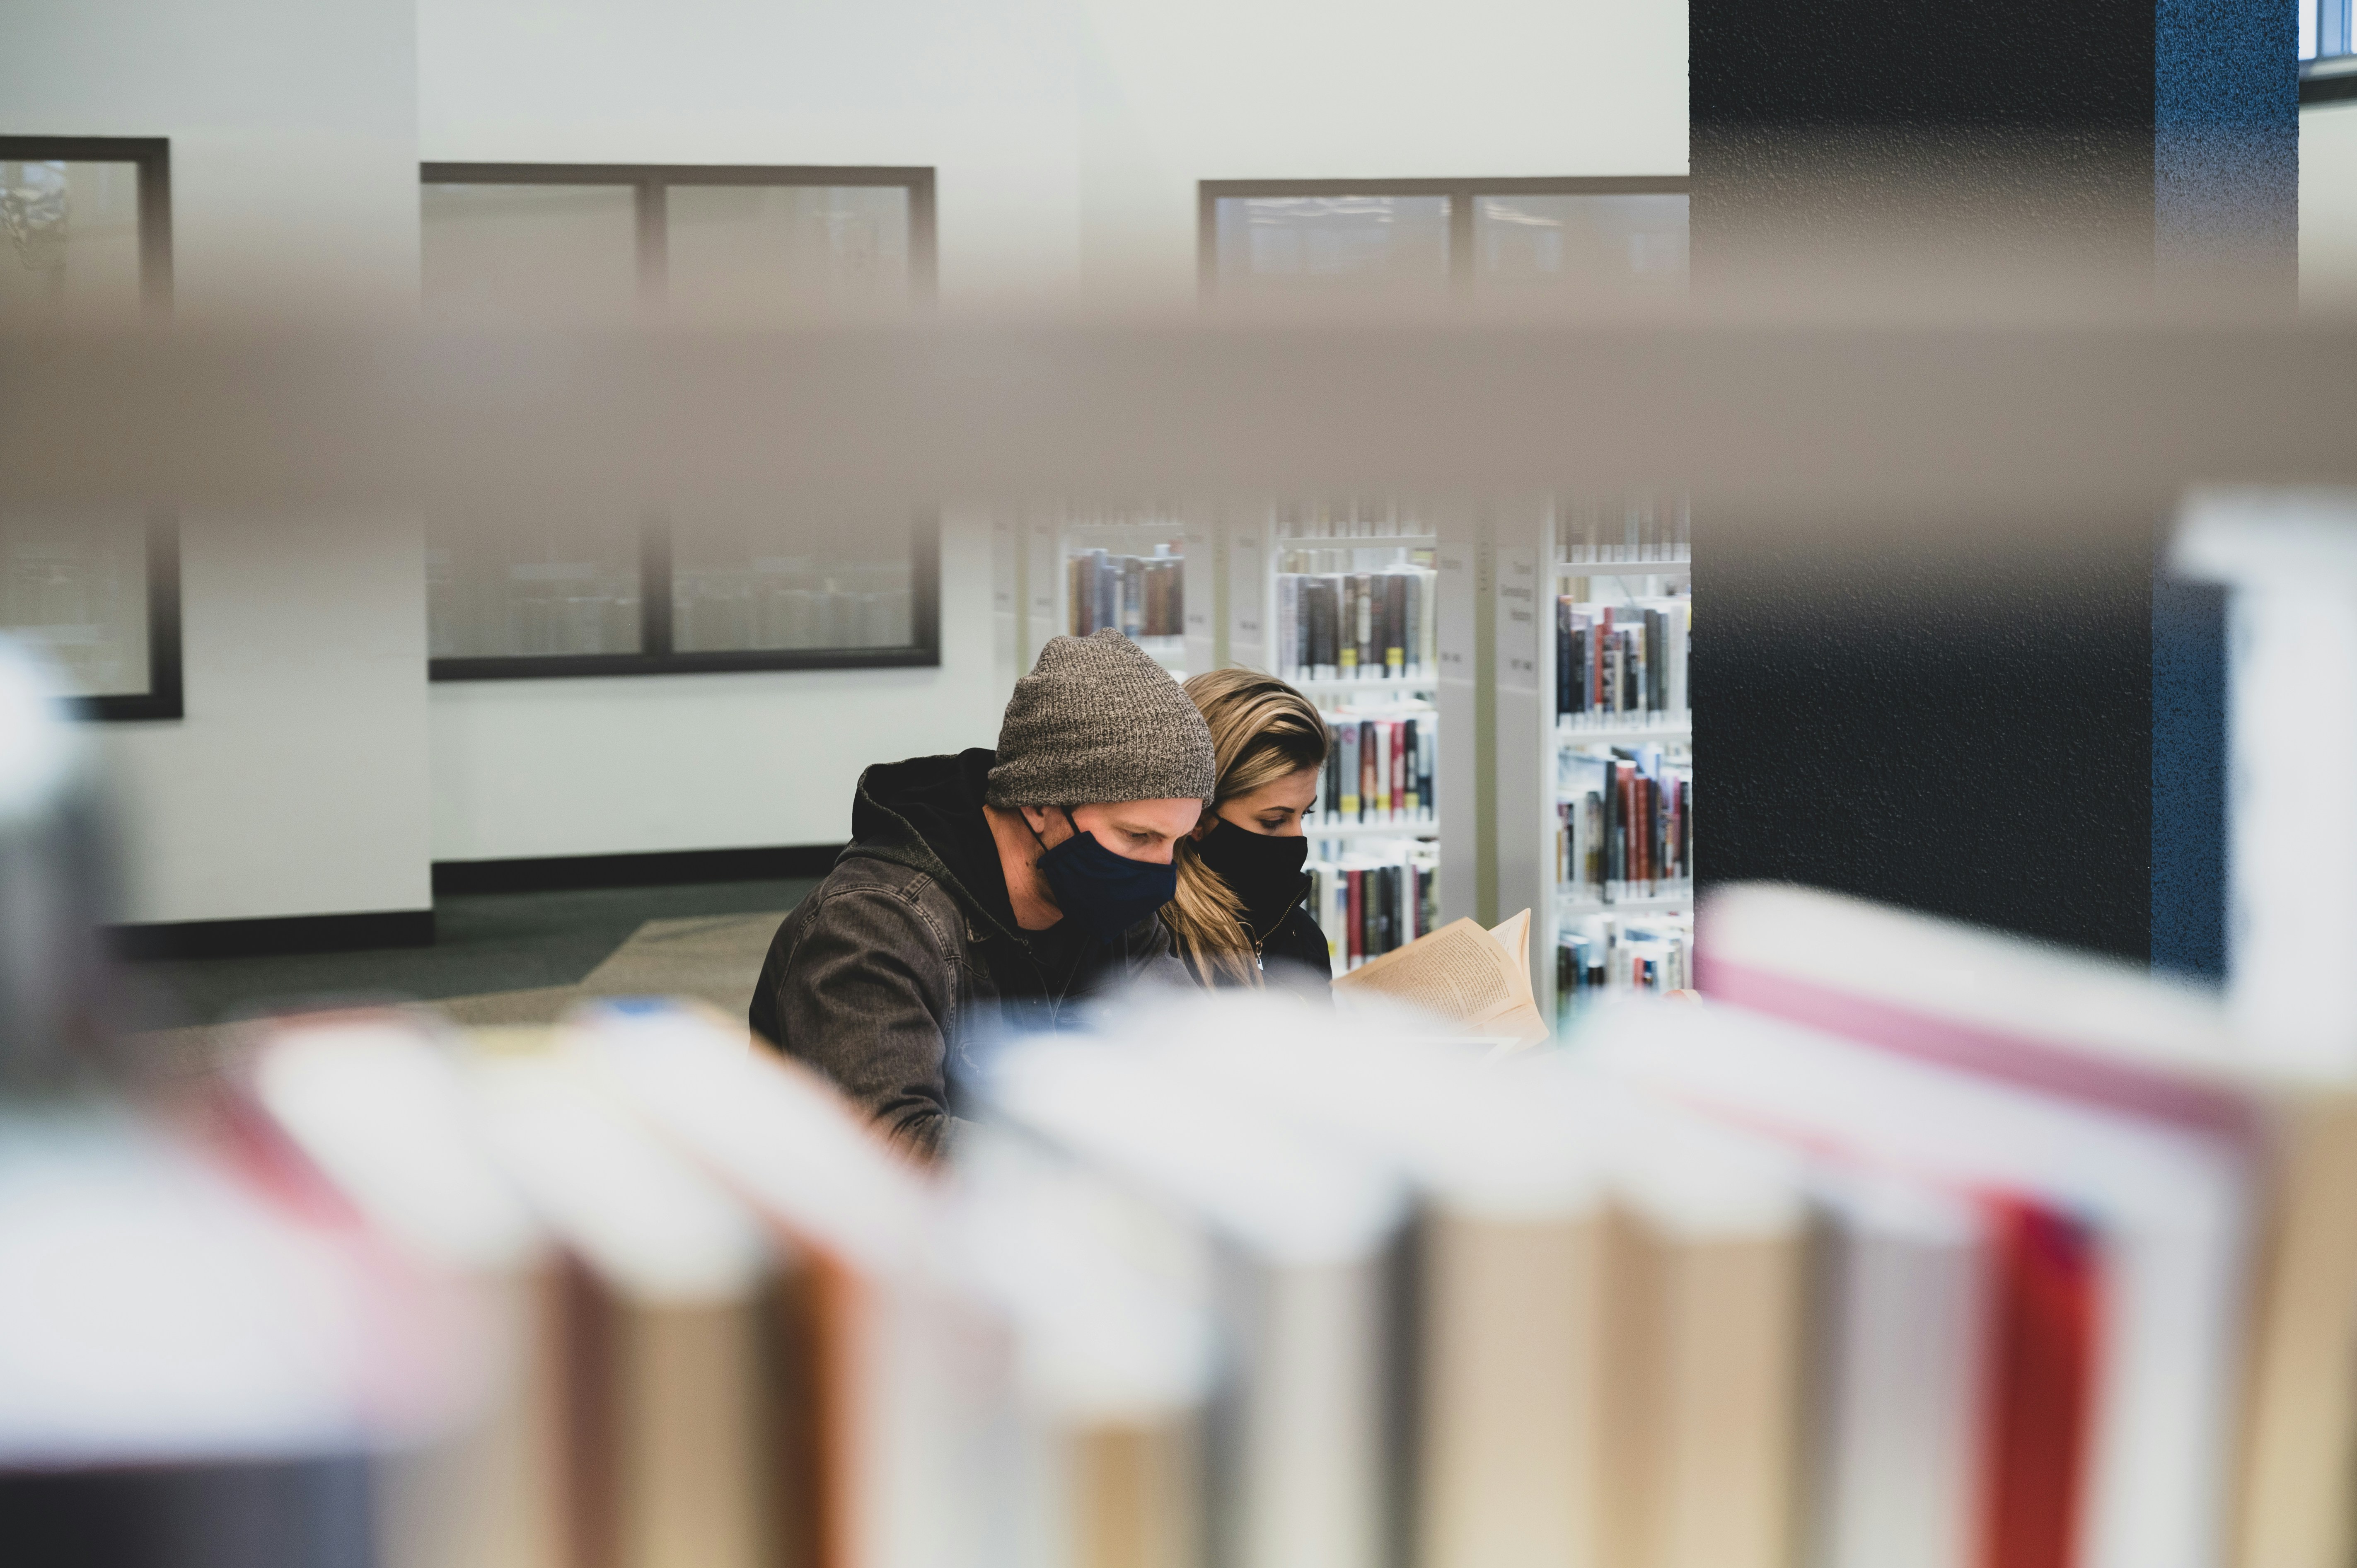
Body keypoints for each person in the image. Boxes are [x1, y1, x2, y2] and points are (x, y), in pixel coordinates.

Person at [749, 629, 1216, 1159]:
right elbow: (890, 1147)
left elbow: (1197, 1072)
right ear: (1039, 805)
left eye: (1177, 842)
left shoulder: (1114, 909)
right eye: (1138, 836)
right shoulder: (874, 925)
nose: (1161, 871)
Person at [1160, 667, 1335, 995]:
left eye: (1306, 813)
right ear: (1196, 815)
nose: (1297, 839)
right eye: (1273, 821)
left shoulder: (1301, 935)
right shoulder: (1147, 943)